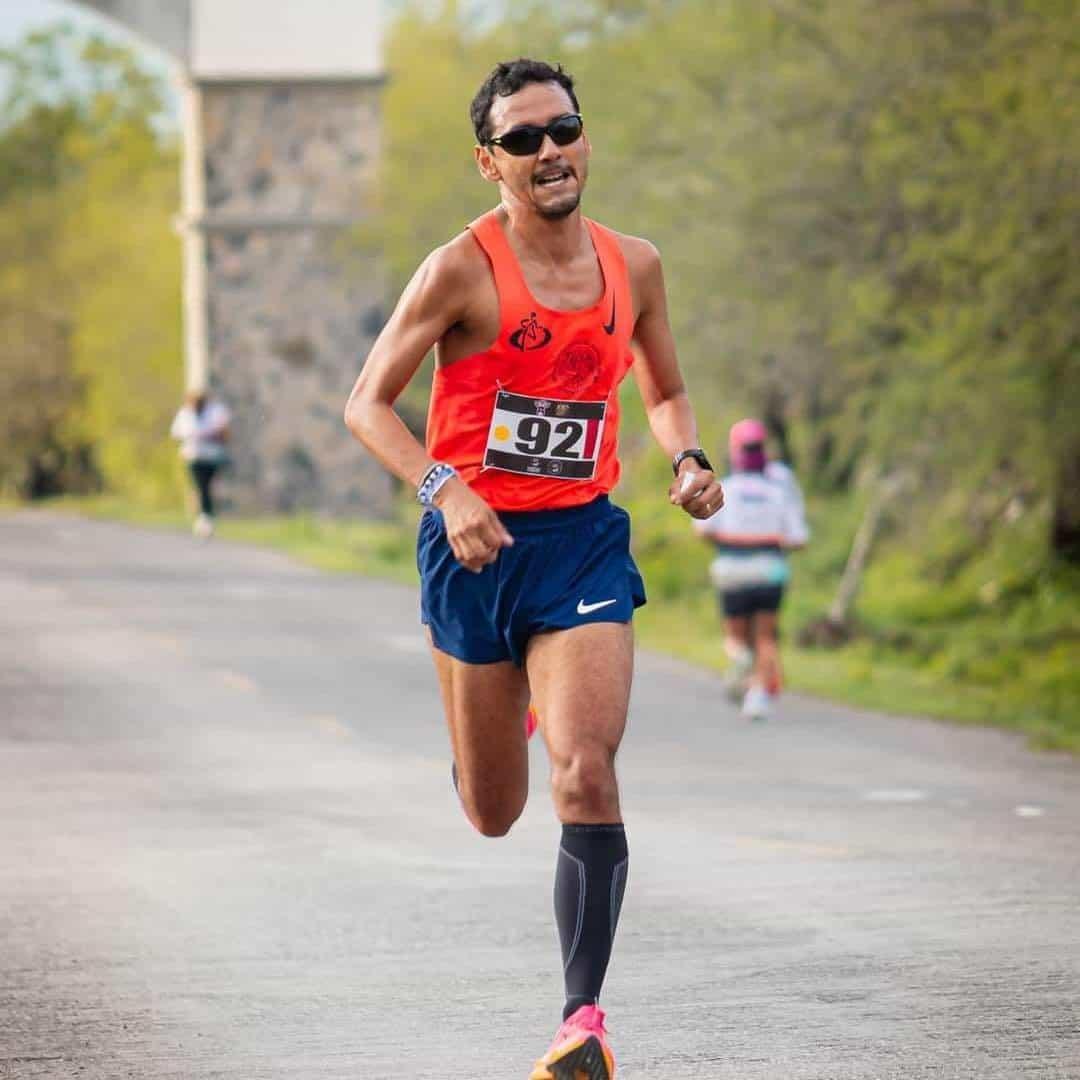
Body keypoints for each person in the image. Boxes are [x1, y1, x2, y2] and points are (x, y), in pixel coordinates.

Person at [344, 58, 723, 1080]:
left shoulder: (634, 264)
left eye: (563, 129)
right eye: (523, 139)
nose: (549, 150)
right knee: (493, 811)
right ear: (489, 162)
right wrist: (444, 490)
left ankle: (581, 1021)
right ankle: (496, 716)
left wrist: (686, 457)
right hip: (474, 547)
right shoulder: (457, 270)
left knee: (587, 773)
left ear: (584, 140)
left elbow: (666, 387)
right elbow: (366, 405)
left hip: (582, 543)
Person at [694, 418, 809, 721]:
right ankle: (757, 698)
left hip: (732, 569)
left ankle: (740, 659)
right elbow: (798, 538)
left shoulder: (726, 488)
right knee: (767, 638)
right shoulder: (779, 488)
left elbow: (703, 530)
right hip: (770, 569)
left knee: (736, 637)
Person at [170, 388, 231, 539]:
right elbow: (176, 434)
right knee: (201, 486)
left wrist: (207, 436)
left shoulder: (216, 411)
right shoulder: (185, 414)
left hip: (212, 457)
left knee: (207, 487)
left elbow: (225, 433)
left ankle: (205, 517)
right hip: (194, 456)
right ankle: (205, 519)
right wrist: (190, 436)